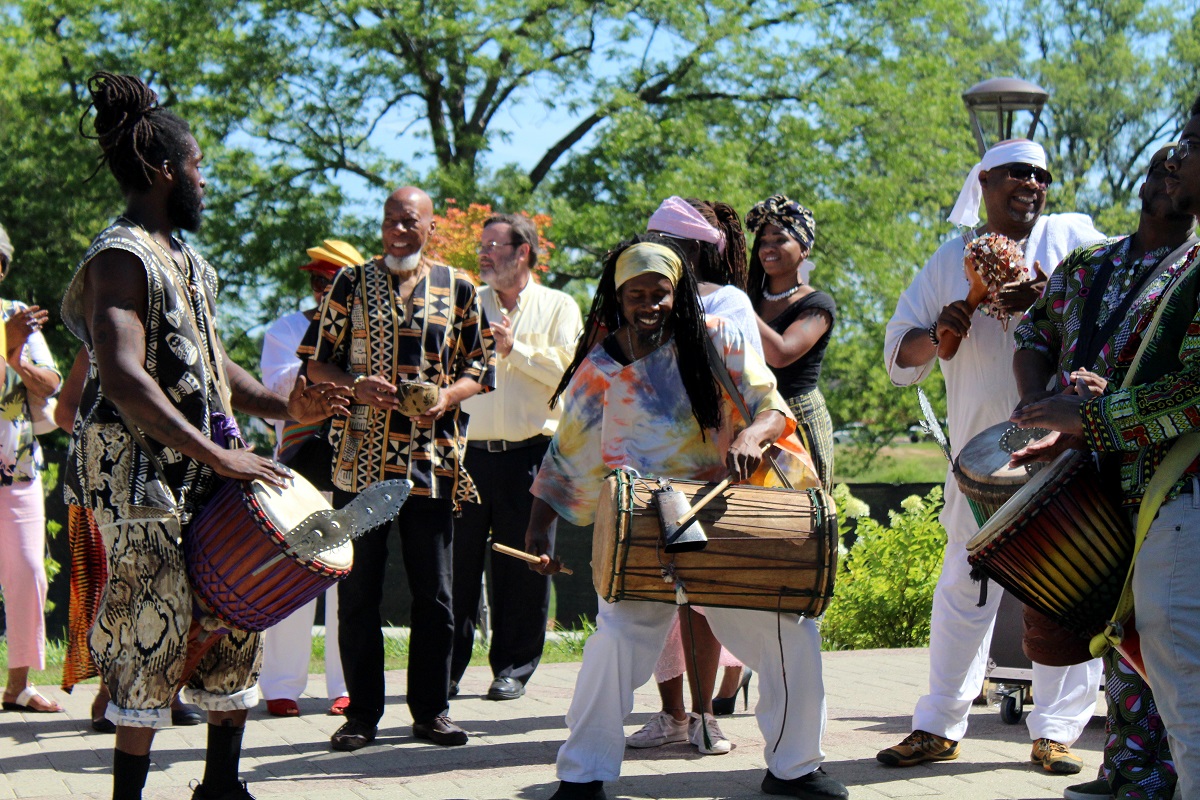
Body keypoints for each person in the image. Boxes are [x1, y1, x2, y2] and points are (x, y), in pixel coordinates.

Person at [61, 72, 350, 800]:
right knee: (153, 630)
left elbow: (220, 372)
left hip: (198, 470)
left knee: (237, 611)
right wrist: (218, 452)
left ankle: (221, 787)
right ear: (164, 170)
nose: (203, 177)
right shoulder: (121, 256)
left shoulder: (189, 263)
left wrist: (294, 408)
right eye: (196, 165)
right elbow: (124, 375)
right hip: (141, 479)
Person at [526, 235, 848, 800]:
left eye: (661, 292)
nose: (649, 303)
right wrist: (538, 531)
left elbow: (773, 406)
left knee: (788, 636)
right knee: (616, 641)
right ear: (617, 298)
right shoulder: (599, 368)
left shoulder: (719, 339)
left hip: (724, 518)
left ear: (680, 294)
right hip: (641, 526)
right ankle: (583, 776)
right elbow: (564, 461)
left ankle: (795, 768)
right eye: (636, 293)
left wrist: (751, 431)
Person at [881, 138, 1105, 775]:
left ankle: (1057, 732)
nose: (1031, 183)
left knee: (1066, 589)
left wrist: (1049, 301)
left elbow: (1118, 314)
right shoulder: (951, 260)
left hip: (1062, 450)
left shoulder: (1075, 244)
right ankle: (938, 725)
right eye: (1016, 173)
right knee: (962, 588)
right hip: (984, 457)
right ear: (984, 182)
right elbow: (900, 359)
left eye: (1040, 174)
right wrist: (947, 325)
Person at [1011, 102, 1200, 798]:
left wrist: (1096, 407)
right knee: (1117, 627)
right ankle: (1129, 768)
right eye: (1160, 164)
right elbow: (1033, 334)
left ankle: (1159, 774)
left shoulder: (1194, 267)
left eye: (1179, 161)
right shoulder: (1090, 263)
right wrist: (1039, 407)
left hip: (1157, 473)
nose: (1167, 172)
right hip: (1083, 463)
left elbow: (1188, 385)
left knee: (1158, 633)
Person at [302, 186, 496, 751]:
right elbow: (316, 362)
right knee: (357, 590)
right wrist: (353, 385)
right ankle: (361, 714)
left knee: (433, 593)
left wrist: (446, 396)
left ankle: (431, 712)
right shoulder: (350, 283)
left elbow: (480, 368)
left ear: (430, 227)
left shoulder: (458, 287)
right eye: (390, 220)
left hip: (430, 464)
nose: (397, 230)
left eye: (409, 222)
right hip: (360, 461)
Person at [622, 196, 759, 756]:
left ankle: (706, 716)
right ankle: (671, 715)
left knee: (699, 600)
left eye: (667, 243)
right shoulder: (636, 302)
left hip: (710, 471)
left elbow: (752, 385)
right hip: (647, 469)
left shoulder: (729, 303)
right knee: (658, 594)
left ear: (693, 250)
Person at [450, 213, 582, 702]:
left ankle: (512, 669)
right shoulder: (466, 302)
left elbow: (570, 372)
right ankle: (446, 670)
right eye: (481, 245)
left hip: (532, 454)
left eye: (493, 245)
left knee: (526, 565)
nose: (482, 253)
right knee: (456, 565)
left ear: (522, 251)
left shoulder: (558, 306)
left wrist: (514, 348)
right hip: (468, 454)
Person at [55, 348, 205, 733]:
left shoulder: (184, 338)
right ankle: (111, 694)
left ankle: (168, 692)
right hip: (110, 485)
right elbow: (63, 411)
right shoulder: (97, 341)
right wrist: (102, 446)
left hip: (175, 476)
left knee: (176, 587)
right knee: (121, 588)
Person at [258, 239, 365, 717]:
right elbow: (282, 387)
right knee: (295, 572)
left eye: (333, 281)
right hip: (300, 464)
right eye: (317, 279)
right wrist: (329, 362)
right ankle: (281, 684)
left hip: (358, 462)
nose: (322, 289)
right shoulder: (288, 327)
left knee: (352, 581)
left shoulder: (371, 332)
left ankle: (348, 684)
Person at [0, 220, 64, 715]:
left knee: (27, 573)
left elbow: (51, 384)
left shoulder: (17, 317)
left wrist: (17, 355)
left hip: (17, 469)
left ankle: (17, 684)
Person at [745, 195, 836, 492]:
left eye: (780, 239)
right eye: (763, 241)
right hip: (753, 419)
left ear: (804, 249)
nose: (768, 248)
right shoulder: (751, 300)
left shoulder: (817, 305)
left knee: (804, 514)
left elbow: (781, 353)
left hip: (799, 422)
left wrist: (738, 307)